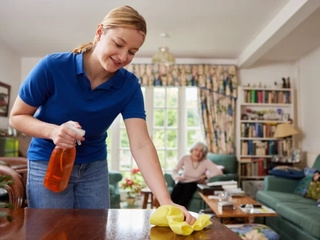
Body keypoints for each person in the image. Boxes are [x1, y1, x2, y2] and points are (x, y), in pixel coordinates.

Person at [9, 5, 195, 224]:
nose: (124, 56)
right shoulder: (53, 67)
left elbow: (141, 143)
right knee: (52, 232)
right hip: (48, 163)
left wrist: (166, 201)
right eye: (118, 44)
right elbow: (17, 116)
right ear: (99, 32)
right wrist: (53, 131)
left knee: (95, 232)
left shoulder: (129, 86)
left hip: (93, 168)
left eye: (132, 52)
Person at [170, 142, 223, 208]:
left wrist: (206, 176)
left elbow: (219, 172)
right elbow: (174, 171)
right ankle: (169, 210)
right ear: (192, 150)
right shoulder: (185, 158)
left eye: (201, 151)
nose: (198, 153)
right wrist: (177, 177)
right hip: (182, 181)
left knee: (188, 189)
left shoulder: (205, 161)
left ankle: (180, 212)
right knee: (176, 190)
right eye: (196, 150)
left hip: (194, 183)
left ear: (203, 154)